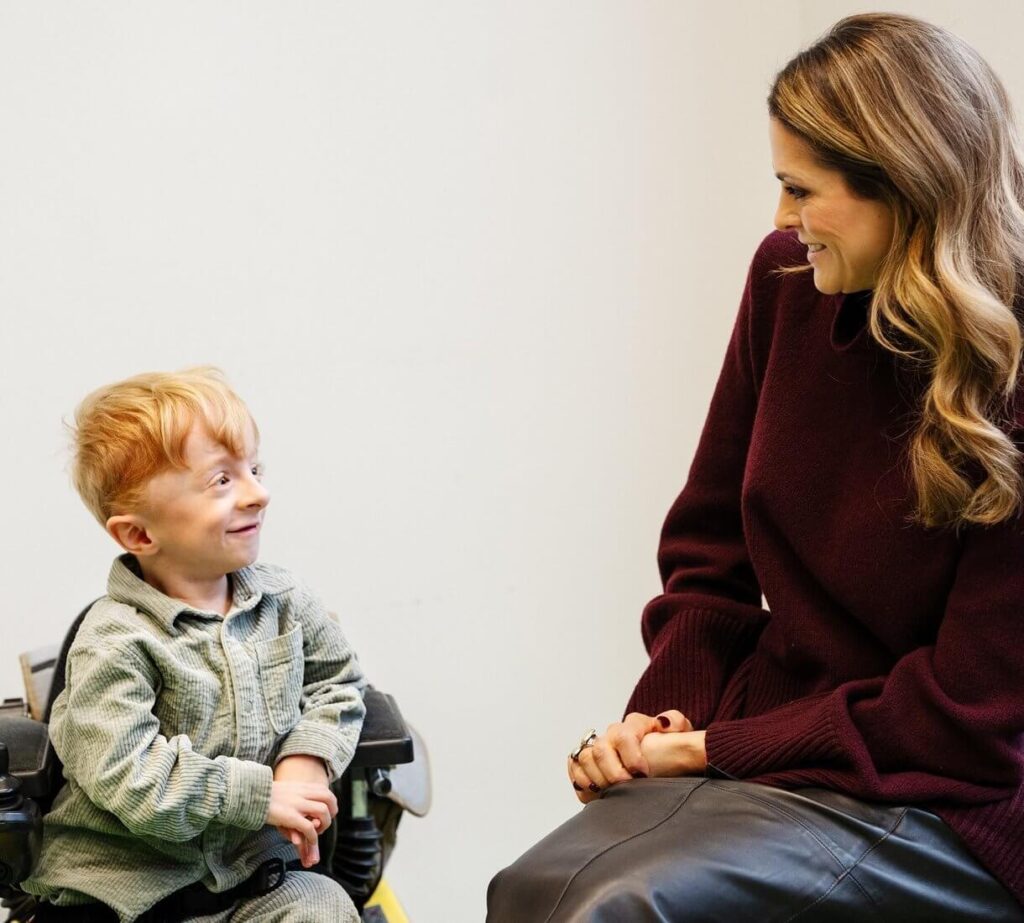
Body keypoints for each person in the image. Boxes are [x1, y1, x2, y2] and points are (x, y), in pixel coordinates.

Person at [488, 13, 1024, 921]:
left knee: (610, 907)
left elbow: (973, 714)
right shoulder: (786, 285)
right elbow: (708, 555)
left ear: (906, 188)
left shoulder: (1009, 365)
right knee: (532, 888)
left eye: (800, 189)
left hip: (954, 797)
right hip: (774, 744)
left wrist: (711, 748)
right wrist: (664, 718)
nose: (782, 219)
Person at [20, 367, 367, 922]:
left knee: (322, 908)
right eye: (222, 481)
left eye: (254, 469)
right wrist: (256, 795)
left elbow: (338, 682)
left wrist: (308, 759)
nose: (260, 493)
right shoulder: (115, 640)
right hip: (123, 894)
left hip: (254, 881)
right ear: (139, 535)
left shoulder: (286, 602)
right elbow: (127, 772)